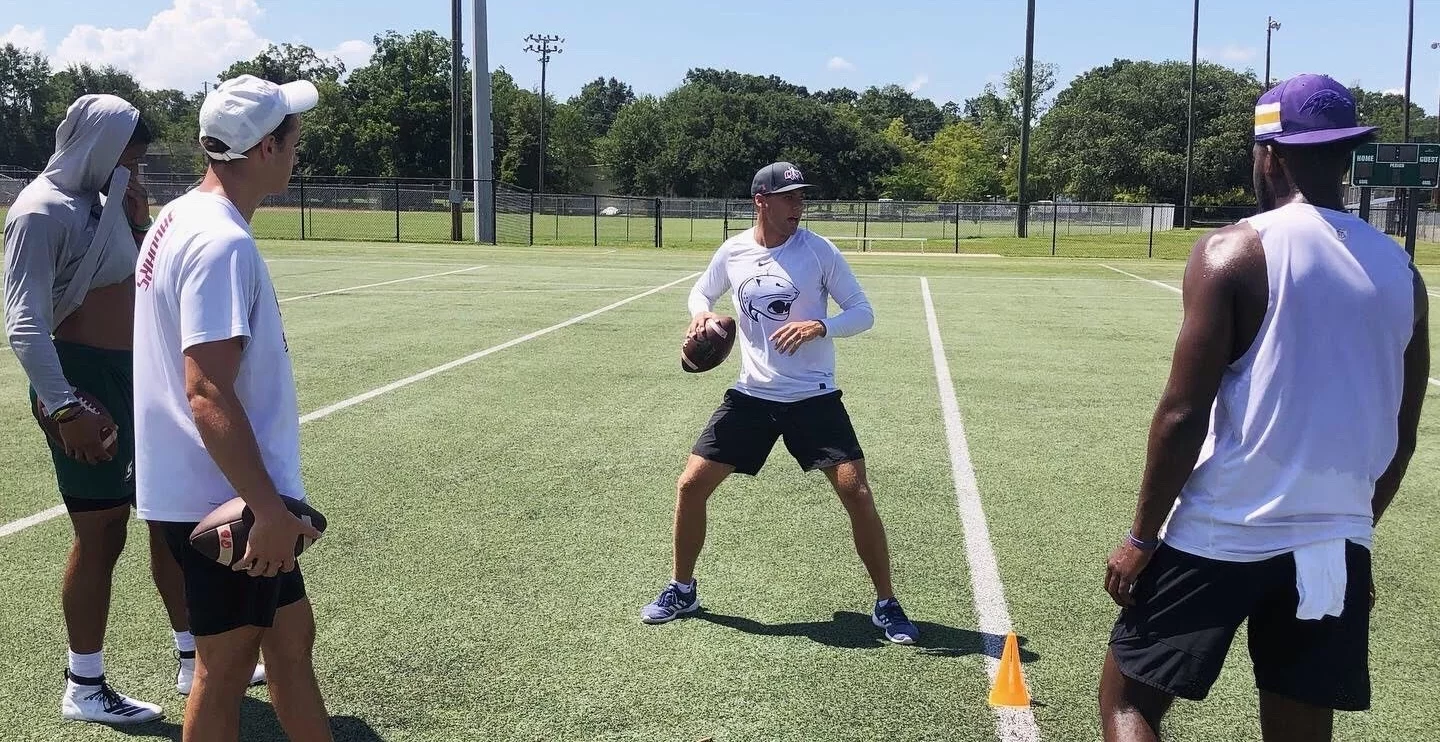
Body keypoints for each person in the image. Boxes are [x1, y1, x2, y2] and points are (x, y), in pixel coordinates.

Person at [1100, 74, 1429, 742]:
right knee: (1300, 726)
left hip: (1222, 529)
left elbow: (1181, 414)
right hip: (1330, 544)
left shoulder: (1234, 250)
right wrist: (1353, 534)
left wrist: (1141, 538)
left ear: (1268, 153)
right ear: (1346, 157)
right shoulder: (1402, 272)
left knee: (1127, 700)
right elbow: (1403, 433)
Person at [3, 93, 230, 725]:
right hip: (83, 384)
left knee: (168, 518)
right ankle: (84, 683)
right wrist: (65, 406)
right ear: (101, 148)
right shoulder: (39, 211)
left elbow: (127, 279)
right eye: (128, 156)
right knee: (101, 533)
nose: (133, 167)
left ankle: (192, 659)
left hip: (136, 380)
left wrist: (135, 222)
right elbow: (24, 326)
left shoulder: (104, 204)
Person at [639, 161, 919, 644]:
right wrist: (701, 314)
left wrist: (822, 325)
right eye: (789, 197)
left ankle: (886, 603)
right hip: (752, 395)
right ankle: (682, 589)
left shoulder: (819, 252)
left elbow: (863, 312)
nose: (799, 205)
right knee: (690, 486)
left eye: (801, 196)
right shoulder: (734, 252)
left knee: (856, 492)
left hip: (813, 396)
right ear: (761, 201)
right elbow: (700, 291)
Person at [132, 75, 329, 741]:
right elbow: (206, 388)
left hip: (213, 493)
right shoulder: (222, 242)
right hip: (229, 506)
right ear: (268, 149)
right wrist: (269, 511)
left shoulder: (178, 216)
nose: (300, 147)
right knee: (224, 671)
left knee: (291, 642)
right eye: (293, 135)